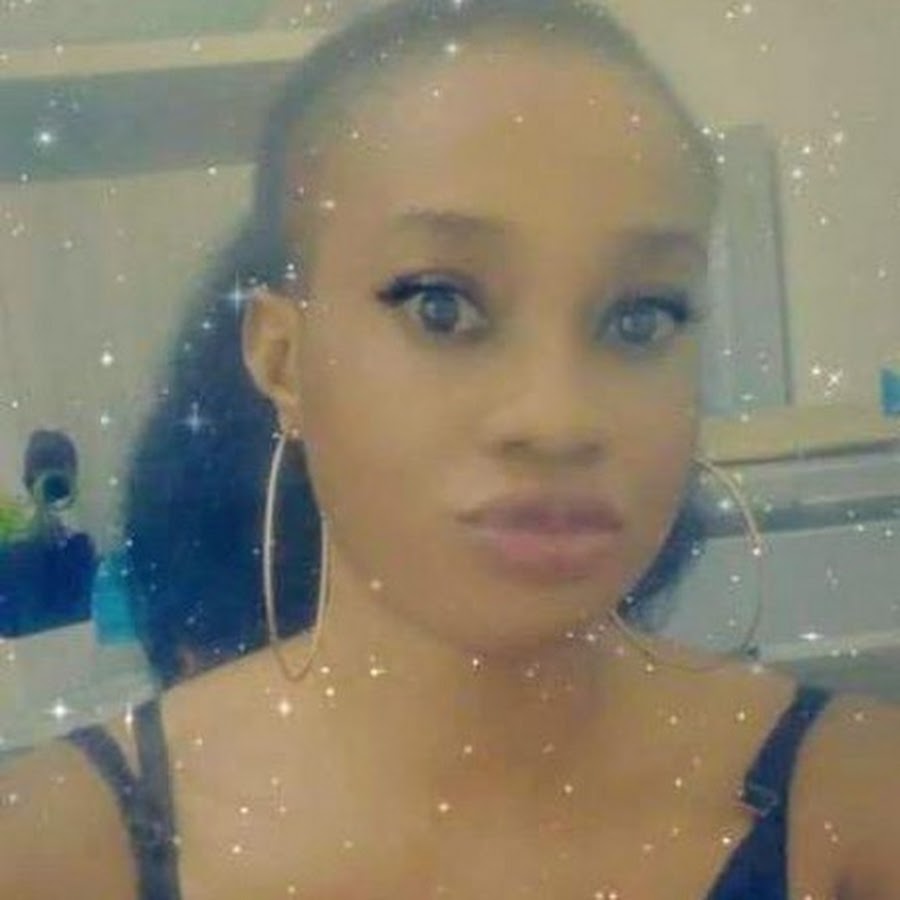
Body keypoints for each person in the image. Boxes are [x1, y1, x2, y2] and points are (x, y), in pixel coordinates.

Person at [2, 0, 899, 897]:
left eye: (640, 317)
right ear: (283, 358)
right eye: (442, 306)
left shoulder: (859, 805)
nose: (558, 419)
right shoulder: (55, 848)